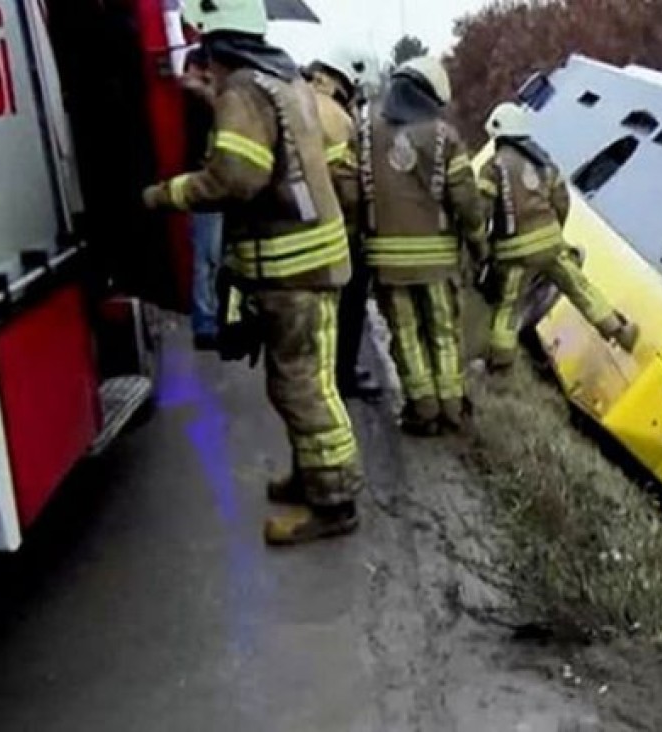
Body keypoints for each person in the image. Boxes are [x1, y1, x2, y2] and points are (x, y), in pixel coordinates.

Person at [142, 0, 365, 546]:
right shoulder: (284, 79)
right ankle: (311, 477)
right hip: (311, 262)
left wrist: (165, 194)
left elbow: (236, 179)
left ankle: (334, 503)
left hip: (293, 269)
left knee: (303, 387)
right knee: (295, 382)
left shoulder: (243, 90)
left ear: (216, 43)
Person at [360, 56, 487, 436]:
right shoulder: (445, 136)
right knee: (443, 333)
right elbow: (466, 200)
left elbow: (350, 189)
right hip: (437, 262)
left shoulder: (365, 131)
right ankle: (452, 409)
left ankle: (423, 410)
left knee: (406, 335)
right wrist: (478, 244)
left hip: (386, 262)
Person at [477, 102, 638, 372]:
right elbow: (562, 201)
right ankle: (620, 331)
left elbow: (481, 210)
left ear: (500, 134)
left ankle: (500, 363)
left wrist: (483, 245)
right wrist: (553, 233)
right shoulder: (545, 164)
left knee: (508, 307)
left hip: (514, 253)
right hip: (552, 244)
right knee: (580, 288)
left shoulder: (493, 167)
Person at [305, 49, 383, 401]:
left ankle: (320, 373)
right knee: (348, 307)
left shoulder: (300, 99)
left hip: (301, 223)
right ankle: (343, 376)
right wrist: (365, 222)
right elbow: (348, 186)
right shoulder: (335, 118)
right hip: (335, 227)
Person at [181, 47, 223, 351]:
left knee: (206, 258)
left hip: (199, 184)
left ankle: (208, 320)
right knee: (208, 258)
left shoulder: (184, 98)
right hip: (205, 185)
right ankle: (207, 323)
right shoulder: (195, 97)